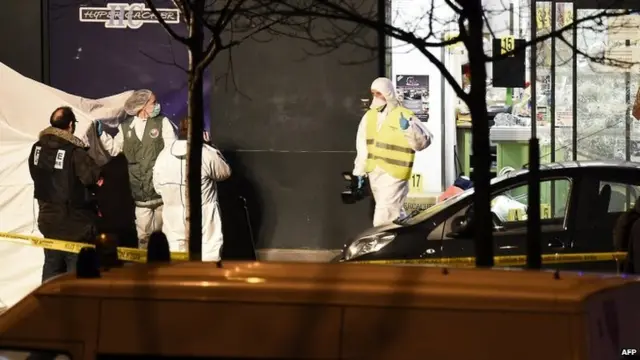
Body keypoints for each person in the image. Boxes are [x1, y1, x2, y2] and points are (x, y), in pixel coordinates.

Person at [28, 106, 102, 281]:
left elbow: (35, 173)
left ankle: (47, 306)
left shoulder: (37, 148)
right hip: (75, 224)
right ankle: (73, 307)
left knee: (51, 269)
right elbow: (92, 176)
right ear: (70, 125)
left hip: (48, 220)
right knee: (76, 275)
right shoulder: (74, 151)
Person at [96, 89, 176, 249]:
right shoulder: (126, 128)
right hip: (140, 192)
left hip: (160, 191)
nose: (157, 105)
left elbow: (171, 150)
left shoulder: (162, 123)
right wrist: (101, 135)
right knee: (143, 236)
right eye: (153, 102)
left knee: (162, 235)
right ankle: (144, 271)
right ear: (142, 106)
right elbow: (114, 148)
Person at [353, 77, 433, 226]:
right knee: (394, 214)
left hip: (394, 175)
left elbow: (423, 142)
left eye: (379, 93)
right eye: (373, 93)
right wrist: (359, 171)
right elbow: (362, 146)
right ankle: (408, 241)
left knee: (383, 218)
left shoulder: (403, 115)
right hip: (374, 173)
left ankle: (381, 247)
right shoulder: (369, 117)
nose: (375, 97)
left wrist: (409, 128)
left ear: (388, 93)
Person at [152, 119, 231, 261]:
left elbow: (158, 188)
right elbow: (225, 172)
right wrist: (210, 146)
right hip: (204, 215)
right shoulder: (206, 153)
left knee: (175, 258)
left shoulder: (163, 156)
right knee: (209, 255)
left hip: (173, 217)